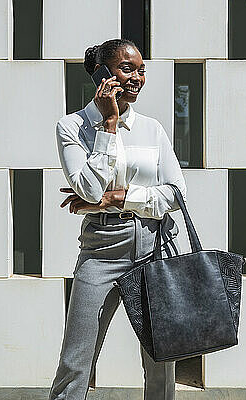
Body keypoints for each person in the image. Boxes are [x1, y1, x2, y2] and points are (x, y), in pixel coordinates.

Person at [49, 38, 187, 400]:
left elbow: (176, 193)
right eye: (128, 68)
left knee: (161, 360)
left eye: (142, 70)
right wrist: (109, 124)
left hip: (153, 247)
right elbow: (88, 188)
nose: (138, 77)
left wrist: (119, 197)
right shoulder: (72, 128)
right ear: (103, 73)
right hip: (101, 250)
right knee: (77, 360)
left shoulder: (152, 129)